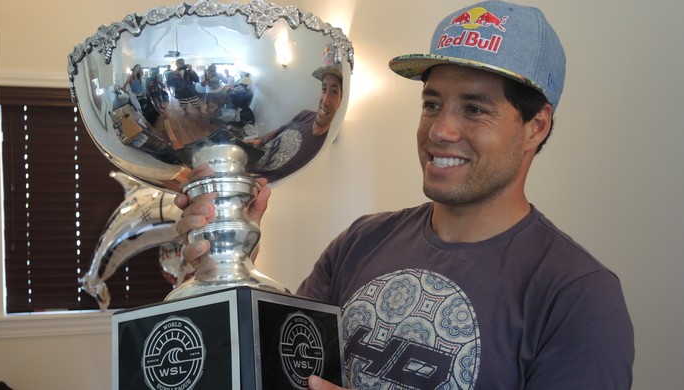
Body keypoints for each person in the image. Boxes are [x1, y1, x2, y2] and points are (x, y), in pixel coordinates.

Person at [175, 1, 635, 389]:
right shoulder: (360, 243)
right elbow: (281, 368)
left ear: (536, 126)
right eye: (432, 104)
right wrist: (224, 264)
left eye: (474, 109)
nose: (440, 130)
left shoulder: (578, 294)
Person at [246, 64, 343, 182]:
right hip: (254, 155)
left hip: (253, 178)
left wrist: (247, 177)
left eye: (334, 92)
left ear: (341, 101)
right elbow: (280, 130)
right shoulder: (305, 114)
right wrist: (260, 140)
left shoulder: (325, 145)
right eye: (324, 89)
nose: (325, 100)